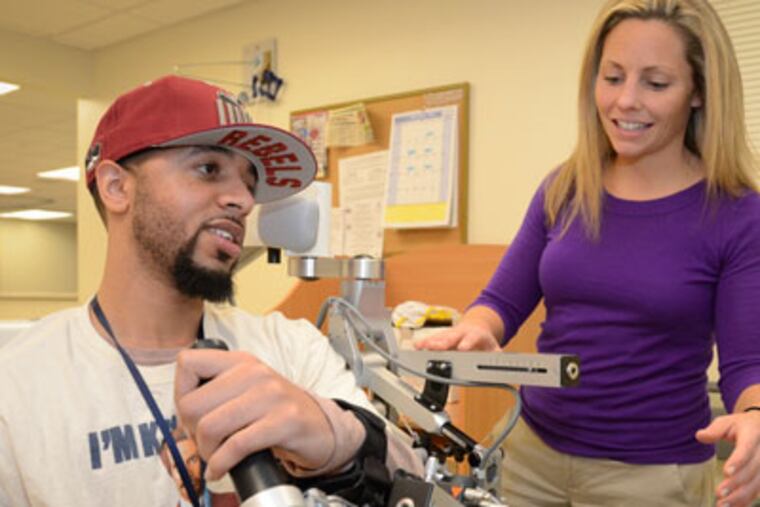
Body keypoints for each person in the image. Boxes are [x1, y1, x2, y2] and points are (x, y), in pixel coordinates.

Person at [0, 75, 422, 506]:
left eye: (249, 183)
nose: (242, 199)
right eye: (208, 169)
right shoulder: (17, 384)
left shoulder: (290, 348)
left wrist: (336, 438)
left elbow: (410, 475)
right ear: (116, 187)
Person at [416, 1, 760, 506]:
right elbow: (502, 303)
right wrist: (476, 328)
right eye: (613, 76)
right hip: (530, 452)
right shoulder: (566, 187)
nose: (625, 101)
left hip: (652, 475)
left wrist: (754, 418)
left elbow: (747, 365)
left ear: (699, 93)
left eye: (656, 83)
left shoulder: (736, 213)